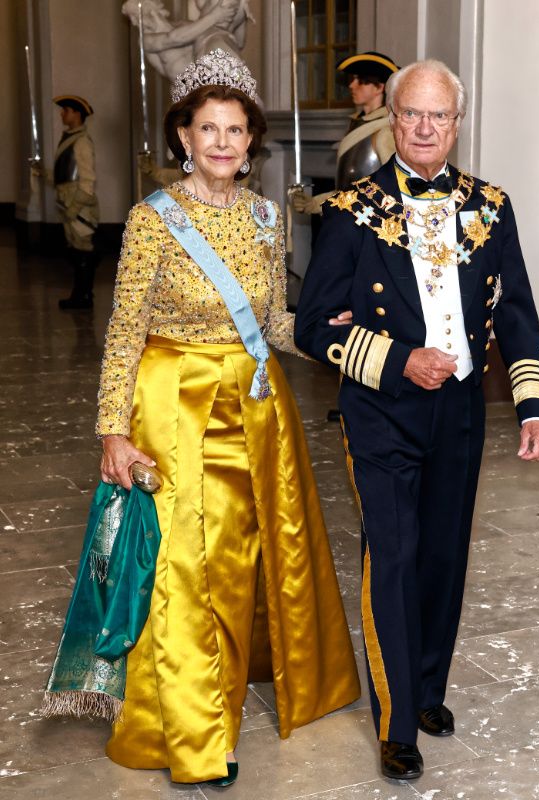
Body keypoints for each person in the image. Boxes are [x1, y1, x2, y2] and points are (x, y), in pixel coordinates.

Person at [96, 49, 360, 786]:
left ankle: (246, 679)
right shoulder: (153, 222)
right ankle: (198, 731)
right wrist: (112, 430)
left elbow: (270, 319)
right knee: (187, 567)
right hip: (174, 400)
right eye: (206, 128)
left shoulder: (269, 218)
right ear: (183, 136)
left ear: (251, 142)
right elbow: (124, 327)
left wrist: (323, 334)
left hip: (254, 406)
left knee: (246, 556)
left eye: (235, 130)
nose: (220, 142)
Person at [294, 59, 539, 781]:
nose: (426, 127)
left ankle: (429, 688)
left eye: (440, 115)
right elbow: (312, 325)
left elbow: (520, 316)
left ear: (457, 122)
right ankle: (396, 716)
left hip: (462, 411)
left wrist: (531, 404)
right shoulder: (350, 210)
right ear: (393, 119)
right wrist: (397, 359)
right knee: (396, 556)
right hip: (381, 407)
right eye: (412, 113)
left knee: (443, 555)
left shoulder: (491, 206)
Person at [292, 51, 398, 215]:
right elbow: (346, 191)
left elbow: (394, 191)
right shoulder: (358, 124)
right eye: (352, 80)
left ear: (380, 87)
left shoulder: (386, 130)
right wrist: (314, 204)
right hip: (349, 220)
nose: (352, 85)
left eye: (361, 81)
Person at [122, 0, 251, 82]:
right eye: (131, 18)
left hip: (211, 81)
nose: (134, 22)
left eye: (136, 15)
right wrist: (215, 16)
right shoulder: (146, 40)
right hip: (188, 93)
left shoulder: (185, 26)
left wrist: (241, 18)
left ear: (151, 7)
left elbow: (238, 44)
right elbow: (174, 38)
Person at [52, 95, 99, 309]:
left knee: (83, 249)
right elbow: (66, 174)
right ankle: (81, 293)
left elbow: (88, 181)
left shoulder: (81, 142)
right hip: (67, 201)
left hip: (78, 206)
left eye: (66, 110)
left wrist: (74, 208)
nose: (62, 114)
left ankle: (83, 296)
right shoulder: (69, 138)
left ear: (77, 114)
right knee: (75, 249)